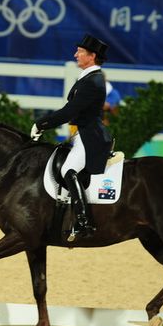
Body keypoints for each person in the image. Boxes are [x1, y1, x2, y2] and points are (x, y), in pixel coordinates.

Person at [31, 34, 113, 241]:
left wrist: (41, 124)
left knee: (69, 169)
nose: (76, 54)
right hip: (83, 133)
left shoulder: (93, 81)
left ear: (92, 56)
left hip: (90, 135)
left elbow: (69, 112)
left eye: (80, 51)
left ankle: (84, 221)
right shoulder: (88, 78)